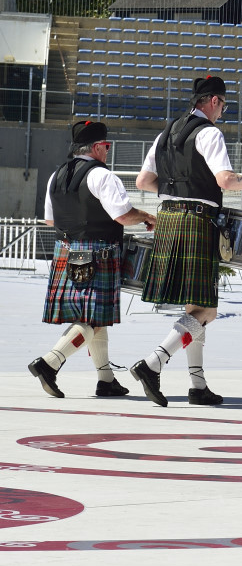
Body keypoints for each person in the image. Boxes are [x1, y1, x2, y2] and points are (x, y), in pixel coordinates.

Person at [129, 76, 242, 407]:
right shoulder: (209, 133)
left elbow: (143, 181)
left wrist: (178, 187)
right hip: (197, 220)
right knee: (207, 310)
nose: (222, 113)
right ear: (214, 101)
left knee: (194, 307)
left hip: (170, 218)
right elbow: (226, 180)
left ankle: (198, 386)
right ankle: (153, 363)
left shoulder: (167, 133)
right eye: (224, 106)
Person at [29, 120, 157, 398]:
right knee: (92, 318)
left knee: (94, 318)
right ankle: (50, 362)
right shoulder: (102, 175)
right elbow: (122, 215)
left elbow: (51, 220)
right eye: (107, 146)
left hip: (68, 250)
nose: (108, 151)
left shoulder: (57, 175)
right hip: (99, 252)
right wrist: (146, 216)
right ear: (98, 146)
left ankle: (106, 379)